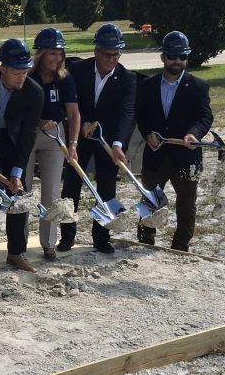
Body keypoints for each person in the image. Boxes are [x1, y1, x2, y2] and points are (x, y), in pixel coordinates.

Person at [58, 23, 137, 254]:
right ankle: (67, 237)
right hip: (79, 136)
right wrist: (81, 123)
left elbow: (126, 114)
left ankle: (101, 238)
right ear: (96, 51)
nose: (111, 59)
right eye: (107, 54)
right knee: (71, 185)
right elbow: (69, 102)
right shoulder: (78, 70)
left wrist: (118, 144)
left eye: (116, 54)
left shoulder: (127, 78)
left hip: (108, 139)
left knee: (107, 188)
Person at [135, 30, 213, 252]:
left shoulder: (198, 87)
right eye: (172, 56)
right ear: (163, 57)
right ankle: (146, 239)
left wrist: (194, 134)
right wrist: (148, 133)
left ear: (187, 58)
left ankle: (181, 245)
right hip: (155, 155)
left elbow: (205, 117)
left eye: (182, 56)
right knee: (150, 199)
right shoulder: (148, 85)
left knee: (187, 203)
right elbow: (141, 115)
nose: (177, 61)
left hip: (186, 157)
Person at [0, 39, 44, 272]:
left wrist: (16, 172)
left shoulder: (34, 92)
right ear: (2, 68)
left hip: (10, 138)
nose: (22, 78)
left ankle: (16, 252)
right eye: (16, 73)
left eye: (25, 72)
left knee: (18, 191)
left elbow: (27, 135)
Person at [24, 28, 81, 260]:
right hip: (27, 134)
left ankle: (48, 243)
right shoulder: (27, 75)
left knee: (51, 192)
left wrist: (73, 144)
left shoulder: (65, 78)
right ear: (41, 53)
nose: (56, 59)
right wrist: (38, 121)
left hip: (55, 135)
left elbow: (74, 114)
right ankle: (18, 245)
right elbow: (18, 111)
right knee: (23, 190)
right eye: (52, 53)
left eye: (60, 54)